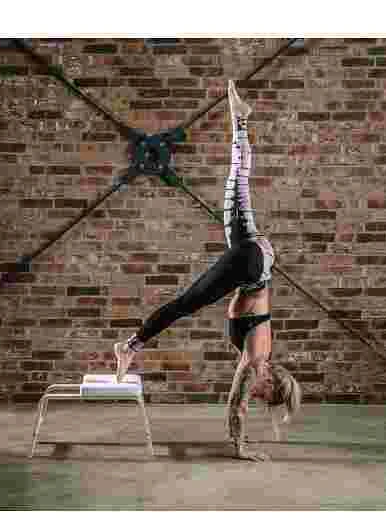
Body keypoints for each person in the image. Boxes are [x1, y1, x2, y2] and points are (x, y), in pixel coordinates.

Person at [114, 80, 301, 461]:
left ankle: (240, 120)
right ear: (270, 383)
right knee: (184, 304)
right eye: (264, 396)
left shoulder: (259, 354)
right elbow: (236, 404)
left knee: (238, 181)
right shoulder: (256, 361)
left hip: (257, 256)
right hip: (251, 264)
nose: (255, 395)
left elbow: (247, 394)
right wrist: (240, 447)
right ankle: (129, 347)